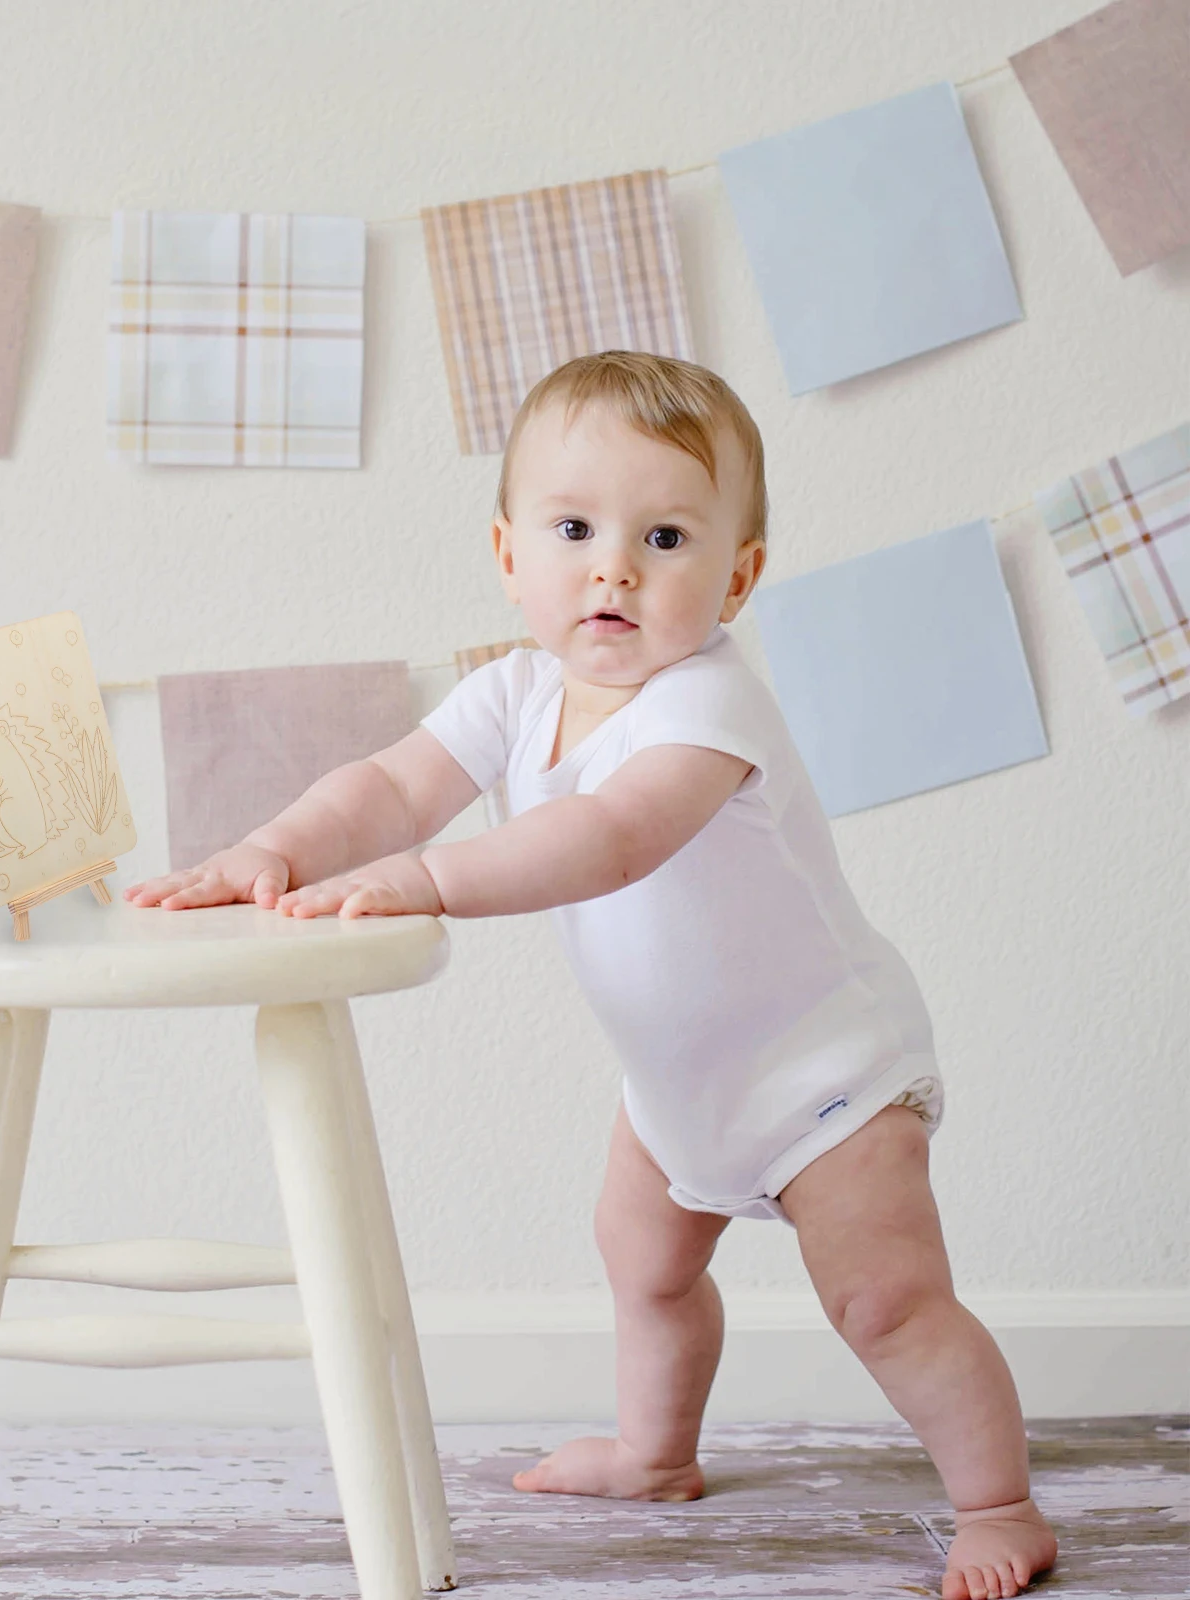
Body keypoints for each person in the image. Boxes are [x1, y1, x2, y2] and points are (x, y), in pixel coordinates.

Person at [125, 351, 1058, 1600]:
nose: (613, 566)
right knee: (646, 1265)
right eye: (574, 528)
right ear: (509, 554)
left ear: (737, 576)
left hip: (826, 1073)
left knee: (885, 1301)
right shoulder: (511, 692)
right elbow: (392, 786)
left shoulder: (707, 707)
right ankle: (654, 1450)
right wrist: (273, 848)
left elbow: (611, 838)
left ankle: (997, 1500)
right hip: (676, 1081)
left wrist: (432, 878)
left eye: (664, 535)